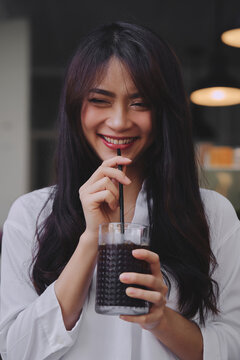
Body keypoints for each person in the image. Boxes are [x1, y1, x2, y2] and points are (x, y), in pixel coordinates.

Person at [0, 21, 240, 360]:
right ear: (75, 107)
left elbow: (232, 344)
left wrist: (160, 319)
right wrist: (90, 239)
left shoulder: (211, 214)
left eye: (140, 103)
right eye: (100, 100)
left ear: (164, 113)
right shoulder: (31, 214)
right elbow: (16, 350)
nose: (119, 121)